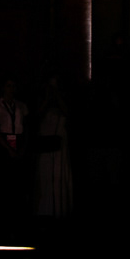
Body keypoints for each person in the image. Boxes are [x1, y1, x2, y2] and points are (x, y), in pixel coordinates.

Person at [35, 79, 72, 219]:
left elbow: (67, 113)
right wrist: (47, 98)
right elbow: (37, 116)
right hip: (45, 146)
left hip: (59, 148)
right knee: (45, 177)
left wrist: (57, 95)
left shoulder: (63, 101)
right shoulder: (42, 101)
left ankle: (58, 210)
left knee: (58, 178)